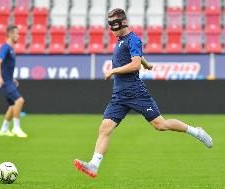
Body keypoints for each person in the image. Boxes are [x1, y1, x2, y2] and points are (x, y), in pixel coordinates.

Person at [73, 8, 213, 178]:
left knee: (160, 125)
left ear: (122, 23)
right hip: (119, 96)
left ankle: (196, 131)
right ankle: (94, 165)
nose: (111, 29)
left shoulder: (133, 39)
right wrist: (146, 64)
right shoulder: (121, 40)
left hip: (135, 92)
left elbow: (134, 65)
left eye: (113, 25)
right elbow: (138, 58)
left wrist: (113, 71)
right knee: (105, 128)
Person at [0, 25, 28, 138]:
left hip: (9, 80)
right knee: (20, 101)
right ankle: (16, 128)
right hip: (5, 82)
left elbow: (5, 66)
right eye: (17, 33)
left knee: (12, 106)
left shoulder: (11, 49)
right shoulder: (6, 47)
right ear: (10, 34)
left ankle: (3, 129)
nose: (18, 36)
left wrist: (11, 78)